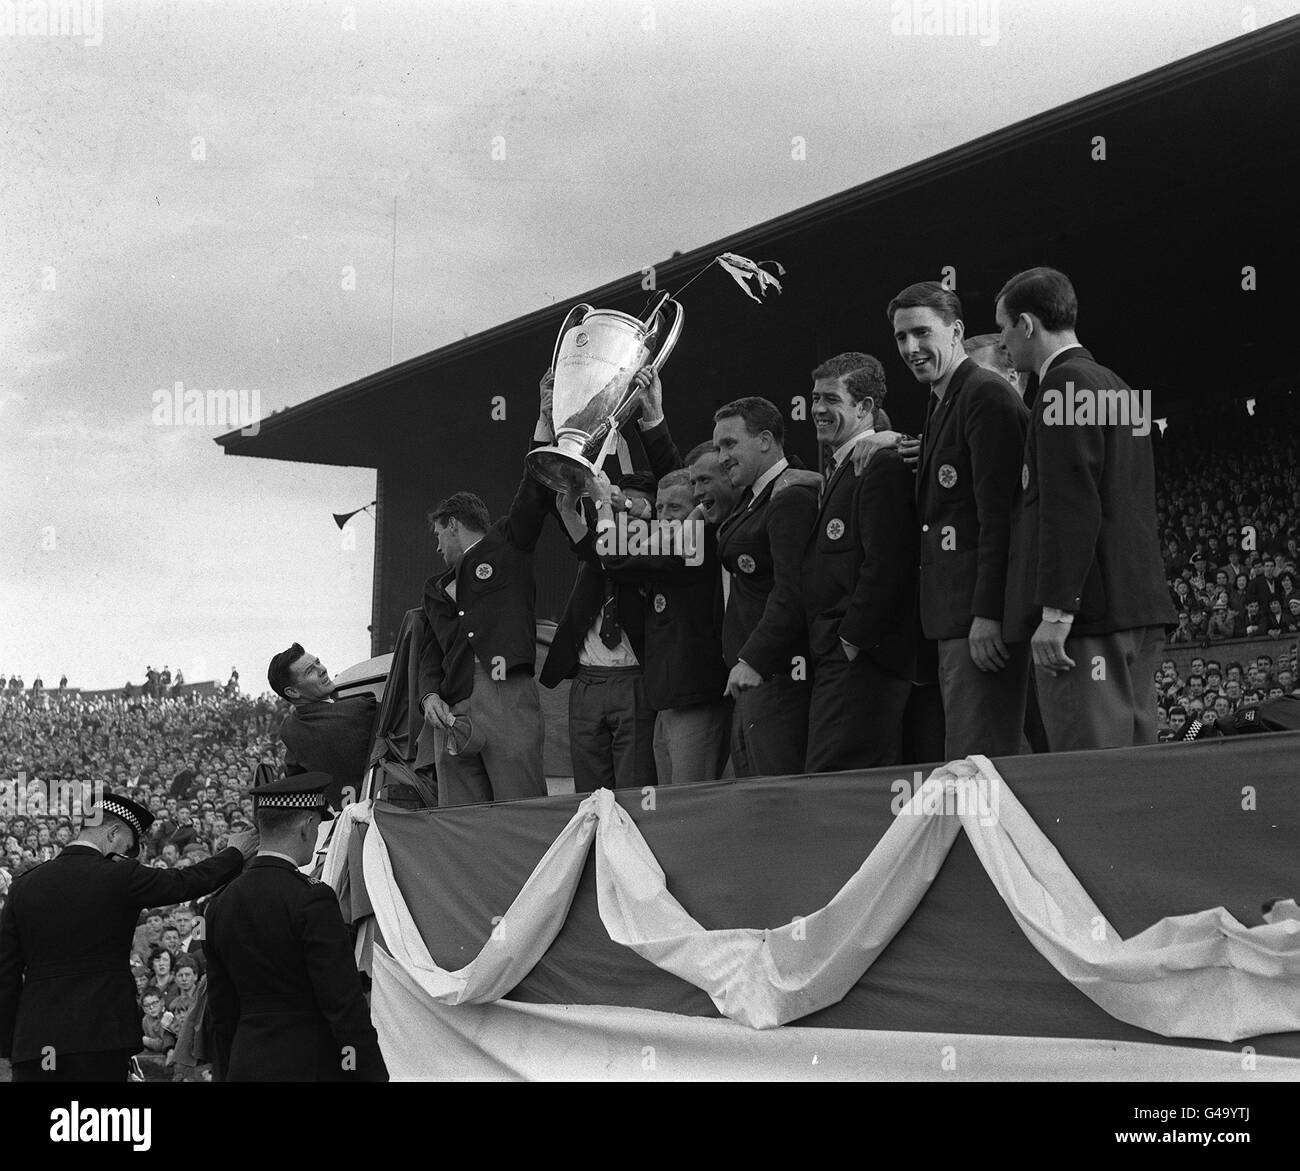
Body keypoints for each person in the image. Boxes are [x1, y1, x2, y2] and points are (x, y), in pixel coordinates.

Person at [997, 267, 1175, 750]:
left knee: (1090, 772)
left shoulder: (1063, 386)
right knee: (1134, 764)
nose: (1004, 343)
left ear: (1028, 324)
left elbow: (1070, 501)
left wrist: (1056, 610)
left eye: (1005, 328)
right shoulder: (1116, 384)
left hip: (1088, 616)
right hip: (1135, 606)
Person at [0, 791, 256, 1082]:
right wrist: (234, 854)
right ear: (112, 833)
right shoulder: (119, 876)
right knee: (99, 1126)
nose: (124, 856)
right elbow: (187, 882)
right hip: (101, 1038)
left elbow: (5, 974)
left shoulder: (23, 887)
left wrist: (12, 1042)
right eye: (127, 847)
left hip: (38, 1044)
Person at [887, 284, 1030, 758]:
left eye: (922, 332)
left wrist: (988, 613)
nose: (911, 348)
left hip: (978, 620)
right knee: (971, 757)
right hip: (952, 619)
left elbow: (1001, 516)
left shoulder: (984, 394)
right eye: (901, 337)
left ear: (956, 331)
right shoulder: (942, 400)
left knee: (979, 761)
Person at [417, 371, 556, 805]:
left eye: (438, 535)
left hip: (504, 692)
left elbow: (534, 493)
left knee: (521, 807)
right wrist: (428, 696)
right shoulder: (435, 588)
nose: (437, 547)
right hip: (452, 707)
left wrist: (545, 421)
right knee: (461, 818)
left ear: (452, 524)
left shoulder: (507, 546)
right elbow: (429, 653)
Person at [541, 369, 682, 791]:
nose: (620, 512)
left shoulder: (658, 547)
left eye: (633, 508)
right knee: (590, 797)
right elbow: (590, 543)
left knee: (635, 792)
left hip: (635, 680)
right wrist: (552, 423)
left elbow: (676, 485)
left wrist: (653, 417)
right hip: (585, 680)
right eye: (617, 505)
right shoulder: (603, 550)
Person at [203, 773, 388, 1081]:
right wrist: (370, 1074)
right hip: (308, 1066)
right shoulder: (312, 898)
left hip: (245, 1065)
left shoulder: (219, 905)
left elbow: (220, 1012)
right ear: (306, 826)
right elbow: (343, 1004)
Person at [798, 353, 925, 770]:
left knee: (841, 781)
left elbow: (887, 563)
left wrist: (852, 640)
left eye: (831, 399)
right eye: (815, 398)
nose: (818, 409)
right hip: (839, 655)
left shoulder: (881, 463)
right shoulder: (841, 467)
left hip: (862, 659)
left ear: (865, 408)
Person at [592, 465, 731, 784]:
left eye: (675, 508)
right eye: (660, 508)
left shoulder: (694, 545)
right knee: (673, 806)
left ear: (697, 508)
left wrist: (601, 504)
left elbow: (611, 556)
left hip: (695, 699)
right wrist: (626, 506)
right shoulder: (674, 540)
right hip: (668, 701)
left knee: (691, 807)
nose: (665, 516)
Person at [715, 396, 819, 777]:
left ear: (764, 440)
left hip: (777, 677)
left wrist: (754, 659)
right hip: (753, 679)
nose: (722, 456)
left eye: (729, 444)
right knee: (755, 797)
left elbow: (792, 590)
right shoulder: (750, 496)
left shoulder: (790, 493)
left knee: (776, 797)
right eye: (717, 447)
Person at [269, 644, 378, 810]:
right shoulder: (360, 708)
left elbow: (296, 782)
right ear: (293, 692)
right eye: (310, 671)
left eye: (317, 662)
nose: (322, 670)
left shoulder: (291, 729)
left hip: (345, 818)